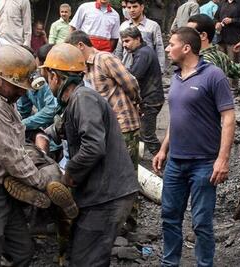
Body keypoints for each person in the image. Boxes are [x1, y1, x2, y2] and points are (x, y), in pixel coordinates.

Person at [0, 44, 77, 266]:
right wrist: (41, 183)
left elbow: (14, 146)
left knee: (22, 252)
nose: (22, 91)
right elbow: (11, 157)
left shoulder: (1, 92)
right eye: (17, 86)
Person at [41, 43, 139, 267]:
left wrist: (70, 174)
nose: (48, 82)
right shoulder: (75, 102)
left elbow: (93, 147)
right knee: (84, 254)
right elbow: (60, 128)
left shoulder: (84, 99)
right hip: (101, 193)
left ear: (55, 76)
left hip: (108, 196)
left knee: (88, 260)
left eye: (48, 76)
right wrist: (42, 137)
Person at [153, 27, 235, 267]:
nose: (167, 48)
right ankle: (170, 264)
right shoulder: (177, 77)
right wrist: (163, 149)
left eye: (171, 44)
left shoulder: (213, 75)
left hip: (204, 163)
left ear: (186, 48)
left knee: (201, 222)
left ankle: (204, 264)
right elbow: (177, 118)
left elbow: (228, 118)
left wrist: (223, 159)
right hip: (175, 162)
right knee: (169, 217)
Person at [66, 30, 141, 169]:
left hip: (124, 126)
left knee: (127, 173)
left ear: (80, 45)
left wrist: (135, 102)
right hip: (107, 128)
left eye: (72, 50)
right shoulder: (84, 69)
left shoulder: (104, 59)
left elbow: (130, 84)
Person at [120, 27, 164, 155]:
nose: (124, 45)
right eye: (123, 42)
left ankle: (162, 160)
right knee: (141, 130)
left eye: (127, 41)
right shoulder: (143, 51)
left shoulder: (143, 53)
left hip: (150, 100)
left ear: (138, 39)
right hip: (150, 98)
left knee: (147, 134)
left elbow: (133, 77)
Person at [17, 44, 62, 158]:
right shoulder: (26, 80)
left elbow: (52, 109)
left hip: (57, 137)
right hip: (41, 129)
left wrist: (23, 124)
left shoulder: (47, 81)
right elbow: (23, 109)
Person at [187, 14, 240, 81]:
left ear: (203, 35)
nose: (184, 36)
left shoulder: (202, 61)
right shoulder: (220, 56)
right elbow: (235, 69)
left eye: (188, 32)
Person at [115, 0, 165, 72]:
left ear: (142, 7)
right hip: (126, 70)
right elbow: (119, 50)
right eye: (129, 7)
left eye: (135, 6)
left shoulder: (153, 26)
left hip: (147, 70)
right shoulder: (123, 26)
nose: (132, 10)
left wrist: (161, 69)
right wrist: (117, 69)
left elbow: (159, 49)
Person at [214, 0, 240, 88]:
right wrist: (217, 23)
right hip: (221, 38)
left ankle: (233, 87)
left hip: (234, 39)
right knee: (220, 63)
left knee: (233, 63)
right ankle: (221, 85)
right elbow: (216, 18)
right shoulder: (222, 3)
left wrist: (232, 20)